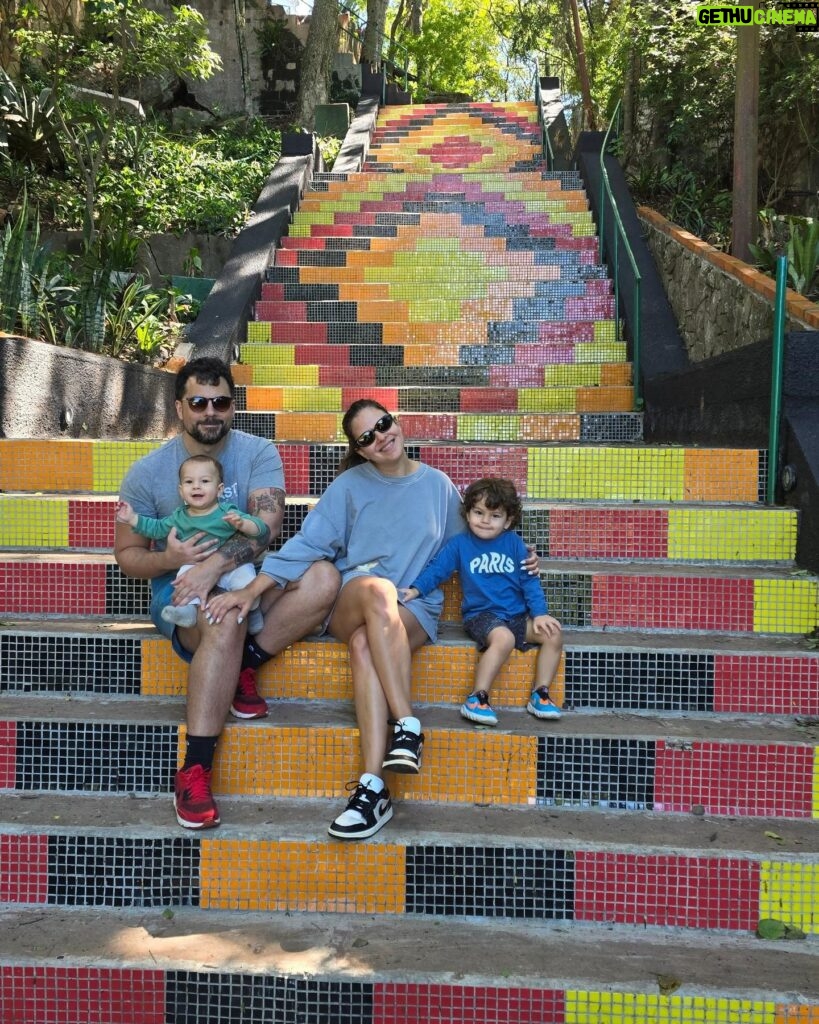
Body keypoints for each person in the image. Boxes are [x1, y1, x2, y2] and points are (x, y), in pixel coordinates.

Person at [115, 356, 339, 831]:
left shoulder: (259, 452)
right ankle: (195, 769)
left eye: (220, 402)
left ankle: (245, 665)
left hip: (246, 580)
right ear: (180, 407)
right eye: (199, 402)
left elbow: (268, 528)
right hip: (182, 593)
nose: (210, 411)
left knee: (323, 578)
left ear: (233, 406)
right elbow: (129, 556)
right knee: (223, 618)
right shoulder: (147, 472)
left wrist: (216, 566)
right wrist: (172, 561)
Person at [401, 477, 563, 727]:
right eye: (478, 512)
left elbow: (530, 582)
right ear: (467, 514)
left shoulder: (515, 544)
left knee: (553, 634)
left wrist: (539, 614)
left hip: (516, 616)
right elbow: (437, 570)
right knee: (504, 638)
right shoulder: (460, 545)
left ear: (508, 520)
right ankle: (477, 698)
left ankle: (540, 694)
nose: (485, 521)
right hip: (481, 616)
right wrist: (415, 590)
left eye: (495, 515)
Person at [116, 453, 268, 633]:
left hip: (229, 567)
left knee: (245, 578)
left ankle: (253, 612)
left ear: (219, 490)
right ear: (181, 491)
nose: (196, 486)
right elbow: (156, 528)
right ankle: (186, 613)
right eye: (189, 482)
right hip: (194, 567)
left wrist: (244, 524)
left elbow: (262, 529)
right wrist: (132, 519)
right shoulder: (179, 517)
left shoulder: (227, 511)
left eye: (204, 481)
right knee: (183, 580)